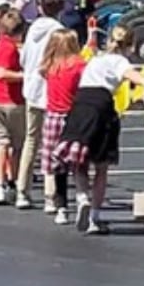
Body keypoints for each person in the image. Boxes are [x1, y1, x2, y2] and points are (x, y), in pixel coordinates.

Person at [54, 25, 144, 234]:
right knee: (101, 166)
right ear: (130, 45)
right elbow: (134, 76)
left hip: (81, 104)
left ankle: (81, 197)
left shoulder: (95, 60)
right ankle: (95, 217)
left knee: (79, 161)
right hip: (102, 105)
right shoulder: (121, 61)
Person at [15, 0, 64, 211]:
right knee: (51, 144)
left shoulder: (31, 29)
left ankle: (22, 190)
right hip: (52, 91)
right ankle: (50, 195)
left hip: (32, 90)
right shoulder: (60, 32)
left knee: (31, 140)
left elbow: (24, 60)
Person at [40, 29, 87, 225]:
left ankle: (61, 207)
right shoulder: (79, 66)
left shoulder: (49, 67)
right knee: (79, 161)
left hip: (52, 118)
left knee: (58, 165)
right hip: (74, 117)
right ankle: (82, 196)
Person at [0, 10, 26, 206]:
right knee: (16, 146)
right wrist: (25, 76)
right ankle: (14, 183)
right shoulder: (9, 49)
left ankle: (1, 184)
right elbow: (2, 73)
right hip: (10, 101)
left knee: (1, 143)